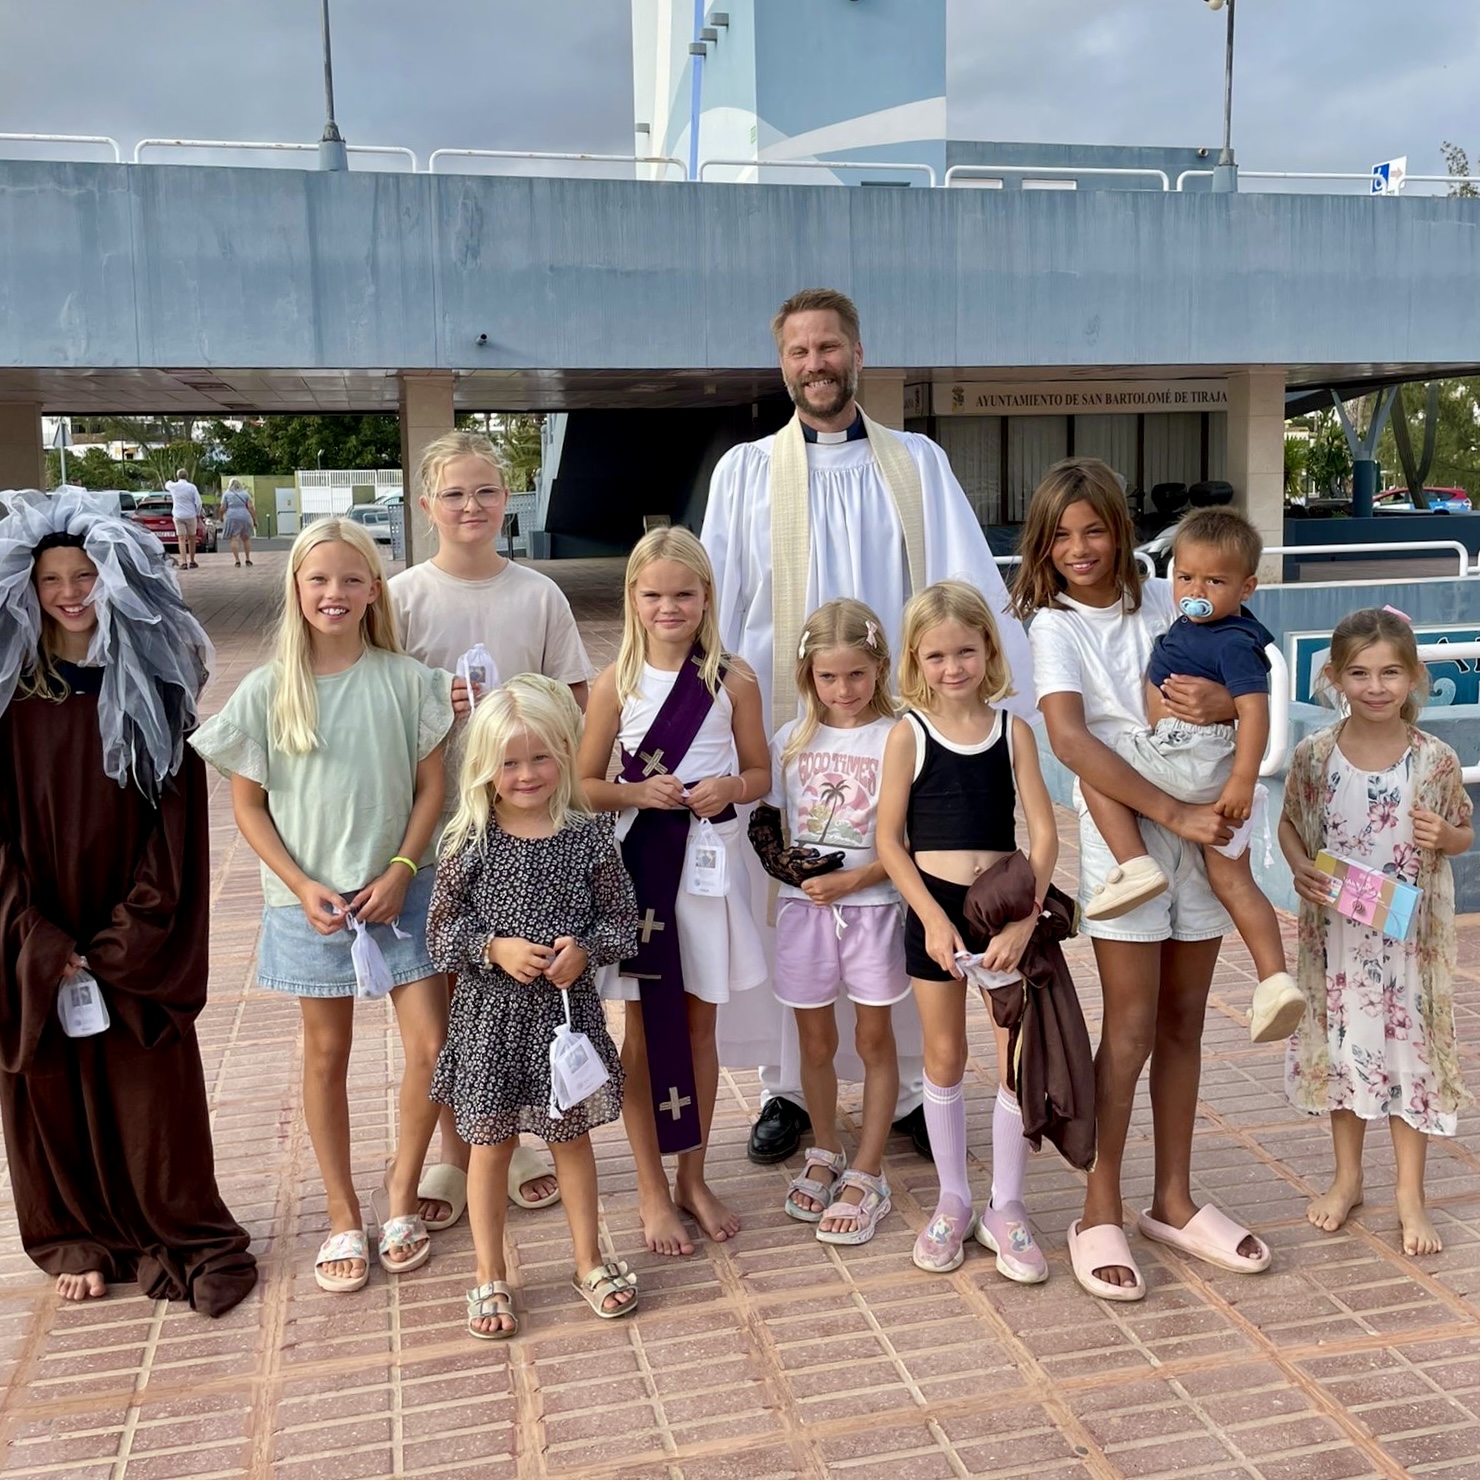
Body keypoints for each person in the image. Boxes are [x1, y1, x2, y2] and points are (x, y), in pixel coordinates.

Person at [702, 286, 1035, 1167]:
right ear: (783, 366)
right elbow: (717, 610)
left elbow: (966, 590)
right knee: (798, 904)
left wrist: (991, 711)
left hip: (903, 735)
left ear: (858, 353)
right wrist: (721, 725)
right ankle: (786, 1089)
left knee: (892, 903)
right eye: (799, 353)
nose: (815, 364)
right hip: (788, 732)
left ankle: (918, 1097)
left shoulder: (917, 464)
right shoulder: (743, 472)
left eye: (829, 348)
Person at [1012, 457, 1270, 1302]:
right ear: (1043, 547)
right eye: (1061, 534)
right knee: (1127, 1032)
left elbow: (1239, 685)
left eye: (1094, 529)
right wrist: (1174, 811)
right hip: (1131, 831)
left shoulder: (1173, 591)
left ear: (1122, 529)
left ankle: (1173, 1200)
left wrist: (1226, 716)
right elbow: (1073, 742)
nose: (1079, 547)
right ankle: (1098, 1209)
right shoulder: (1053, 626)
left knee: (1184, 1022)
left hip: (1203, 819)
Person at [0, 488, 256, 1315]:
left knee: (147, 1082)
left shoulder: (153, 690)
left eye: (88, 575)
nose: (72, 592)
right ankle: (78, 1231)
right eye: (52, 580)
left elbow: (172, 825)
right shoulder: (9, 703)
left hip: (128, 924)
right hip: (37, 913)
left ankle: (168, 1224)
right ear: (25, 590)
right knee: (53, 1077)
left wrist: (130, 934)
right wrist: (36, 935)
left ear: (119, 582)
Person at [191, 518, 453, 1294]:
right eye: (318, 580)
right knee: (325, 1054)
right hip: (310, 906)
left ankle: (401, 1193)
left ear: (374, 589)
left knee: (430, 1047)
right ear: (296, 589)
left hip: (403, 893)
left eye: (349, 579)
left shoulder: (408, 681)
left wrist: (405, 865)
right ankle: (343, 1212)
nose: (333, 593)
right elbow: (248, 808)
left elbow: (431, 786)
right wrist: (302, 884)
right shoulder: (270, 690)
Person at [391, 430, 591, 1229]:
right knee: (447, 1003)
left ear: (506, 499)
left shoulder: (537, 595)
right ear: (425, 504)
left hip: (524, 832)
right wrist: (434, 705)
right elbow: (382, 708)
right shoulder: (402, 597)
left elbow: (573, 699)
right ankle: (457, 1146)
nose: (470, 507)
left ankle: (522, 1138)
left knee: (518, 993)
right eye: (453, 494)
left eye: (485, 492)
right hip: (436, 828)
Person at [577, 527, 769, 1255]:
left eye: (683, 593)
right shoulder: (613, 684)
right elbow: (584, 787)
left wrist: (733, 786)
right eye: (654, 594)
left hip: (709, 872)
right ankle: (652, 1190)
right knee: (642, 1037)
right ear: (633, 597)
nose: (669, 607)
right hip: (641, 877)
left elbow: (761, 773)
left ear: (706, 597)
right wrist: (633, 791)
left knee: (698, 1030)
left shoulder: (734, 679)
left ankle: (694, 1173)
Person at [428, 675, 639, 1336]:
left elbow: (623, 924)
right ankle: (490, 1275)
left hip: (564, 1024)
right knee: (489, 1148)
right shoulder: (469, 843)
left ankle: (588, 1260)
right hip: (490, 1025)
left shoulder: (587, 837)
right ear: (485, 769)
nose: (526, 774)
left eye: (541, 757)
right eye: (510, 762)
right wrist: (494, 948)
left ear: (565, 753)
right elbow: (439, 936)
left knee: (569, 1141)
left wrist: (587, 951)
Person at [876, 581, 1057, 1279]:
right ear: (916, 661)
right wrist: (927, 918)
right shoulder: (908, 735)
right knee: (945, 1057)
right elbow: (890, 841)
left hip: (1003, 911)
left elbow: (1043, 835)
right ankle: (953, 1199)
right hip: (937, 915)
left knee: (1013, 1055)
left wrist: (1024, 917)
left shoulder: (1014, 732)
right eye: (937, 656)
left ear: (989, 650)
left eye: (966, 652)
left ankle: (1005, 1206)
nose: (953, 668)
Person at [1279, 607, 1473, 1257]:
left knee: (1407, 1059)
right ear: (1334, 678)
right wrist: (1301, 865)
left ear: (1415, 676)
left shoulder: (1436, 761)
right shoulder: (1313, 757)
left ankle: (1410, 1194)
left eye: (1391, 672)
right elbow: (1288, 824)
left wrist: (1446, 837)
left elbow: (1463, 831)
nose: (1376, 686)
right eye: (1359, 673)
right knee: (1344, 1053)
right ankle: (1347, 1176)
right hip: (1339, 943)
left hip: (1409, 947)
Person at [1075, 508, 1302, 1043]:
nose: (1195, 589)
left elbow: (1255, 711)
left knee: (1097, 769)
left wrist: (1244, 779)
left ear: (1246, 587)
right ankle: (1274, 981)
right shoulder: (1199, 627)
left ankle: (1135, 866)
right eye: (1185, 577)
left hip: (1200, 761)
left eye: (1215, 581)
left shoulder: (1229, 641)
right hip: (1209, 773)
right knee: (1232, 879)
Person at [752, 599, 903, 1246]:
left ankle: (869, 1168)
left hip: (872, 912)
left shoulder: (901, 734)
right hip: (804, 914)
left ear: (880, 668)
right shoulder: (791, 740)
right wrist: (786, 866)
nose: (843, 691)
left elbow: (912, 838)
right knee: (813, 1044)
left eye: (857, 676)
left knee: (873, 1041)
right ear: (807, 676)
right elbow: (768, 822)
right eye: (828, 677)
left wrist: (859, 879)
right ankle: (825, 1147)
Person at [165, 468, 205, 570]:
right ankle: (192, 560)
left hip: (178, 515)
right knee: (192, 538)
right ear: (186, 476)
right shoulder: (191, 487)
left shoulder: (173, 486)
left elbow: (167, 484)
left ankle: (183, 562)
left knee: (181, 539)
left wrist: (170, 480)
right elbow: (199, 502)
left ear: (178, 476)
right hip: (190, 515)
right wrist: (197, 512)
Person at [220, 478, 257, 567]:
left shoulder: (227, 494)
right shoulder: (245, 494)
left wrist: (221, 517)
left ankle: (237, 560)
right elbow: (251, 507)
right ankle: (248, 559)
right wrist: (254, 519)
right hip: (245, 516)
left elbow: (222, 508)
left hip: (232, 517)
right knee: (246, 538)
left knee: (234, 538)